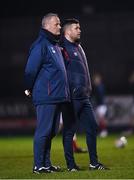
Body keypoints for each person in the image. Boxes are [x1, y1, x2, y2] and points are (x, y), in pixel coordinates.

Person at [61, 18, 109, 171]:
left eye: (79, 27)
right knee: (69, 130)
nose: (79, 30)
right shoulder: (62, 48)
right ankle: (71, 165)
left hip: (84, 96)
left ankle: (94, 163)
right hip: (72, 97)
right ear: (68, 31)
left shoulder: (78, 46)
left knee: (93, 127)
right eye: (76, 28)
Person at [24, 13, 70, 174]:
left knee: (51, 131)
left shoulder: (55, 45)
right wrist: (28, 87)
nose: (59, 26)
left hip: (57, 95)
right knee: (44, 131)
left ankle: (46, 164)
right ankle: (38, 165)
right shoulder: (40, 45)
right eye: (57, 24)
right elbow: (30, 70)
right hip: (46, 95)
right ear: (47, 26)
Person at [92, 73, 108, 138]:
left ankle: (104, 131)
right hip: (98, 105)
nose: (96, 80)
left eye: (97, 79)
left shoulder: (100, 86)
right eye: (95, 79)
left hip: (102, 105)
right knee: (98, 120)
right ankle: (101, 131)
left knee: (102, 118)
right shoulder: (95, 87)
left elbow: (100, 95)